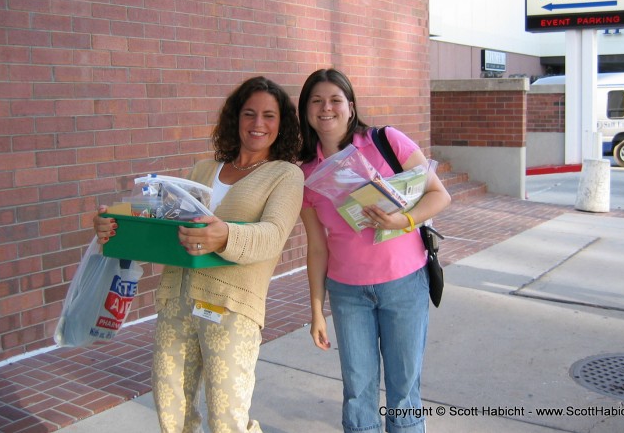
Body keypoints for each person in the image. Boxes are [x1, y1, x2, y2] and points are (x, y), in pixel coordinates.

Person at [94, 76, 304, 433]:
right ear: (235, 118)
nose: (258, 124)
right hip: (177, 302)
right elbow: (163, 221)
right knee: (171, 411)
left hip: (231, 308)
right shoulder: (204, 170)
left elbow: (272, 236)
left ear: (281, 123)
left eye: (269, 116)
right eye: (249, 113)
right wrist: (115, 225)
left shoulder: (284, 175)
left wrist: (225, 236)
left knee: (227, 420)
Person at [298, 68, 451, 433]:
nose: (326, 108)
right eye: (316, 101)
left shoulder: (386, 141)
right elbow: (317, 248)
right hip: (348, 293)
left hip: (403, 284)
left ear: (350, 107)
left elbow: (439, 194)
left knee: (404, 391)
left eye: (335, 100)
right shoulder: (304, 172)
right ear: (305, 110)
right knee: (357, 392)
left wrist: (405, 222)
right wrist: (317, 310)